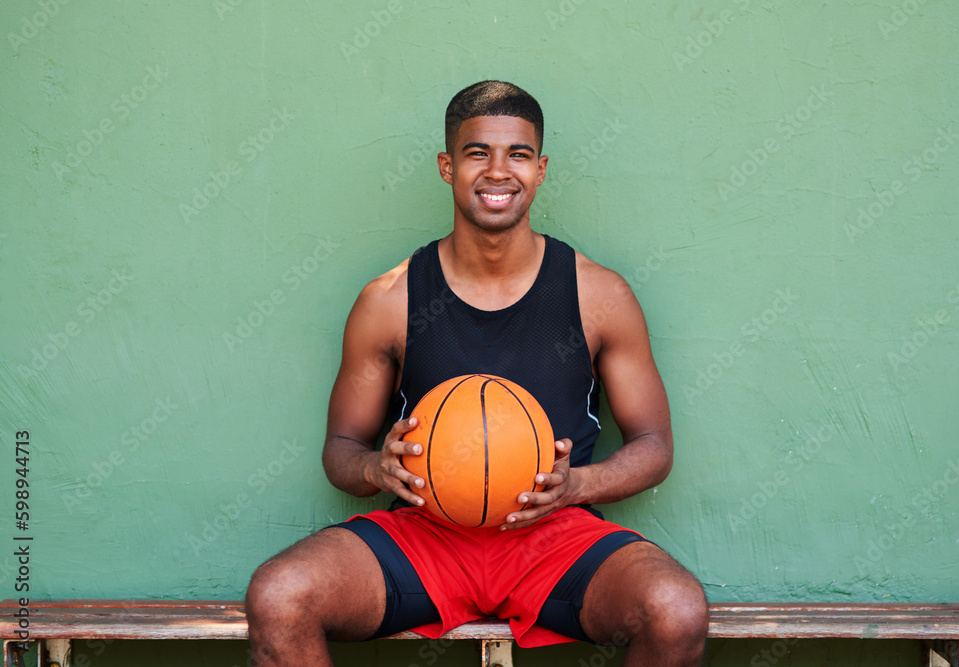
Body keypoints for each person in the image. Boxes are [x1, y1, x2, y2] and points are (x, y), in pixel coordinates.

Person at [245, 81, 708, 666]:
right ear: (447, 166)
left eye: (517, 154)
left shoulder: (599, 295)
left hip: (553, 534)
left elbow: (654, 444)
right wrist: (374, 465)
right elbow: (340, 449)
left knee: (676, 610)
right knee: (279, 595)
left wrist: (577, 486)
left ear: (540, 170)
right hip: (427, 534)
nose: (498, 171)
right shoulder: (388, 300)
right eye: (476, 153)